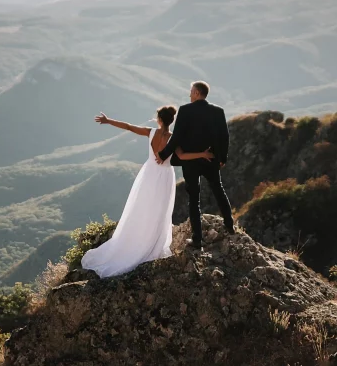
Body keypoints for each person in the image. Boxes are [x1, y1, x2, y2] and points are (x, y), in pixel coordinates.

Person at [81, 105, 214, 278]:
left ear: (159, 120)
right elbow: (182, 157)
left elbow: (128, 126)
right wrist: (202, 154)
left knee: (143, 206)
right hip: (164, 176)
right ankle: (151, 242)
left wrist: (108, 121)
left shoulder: (150, 132)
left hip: (149, 173)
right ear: (171, 121)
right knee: (159, 211)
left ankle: (138, 238)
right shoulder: (174, 138)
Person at [156, 81, 235, 248]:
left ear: (198, 93)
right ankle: (230, 225)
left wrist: (163, 154)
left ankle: (197, 239)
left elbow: (176, 137)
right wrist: (222, 158)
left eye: (191, 91)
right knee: (218, 190)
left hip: (191, 161)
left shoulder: (185, 110)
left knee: (194, 199)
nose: (189, 94)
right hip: (210, 159)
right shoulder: (218, 111)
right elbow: (225, 136)